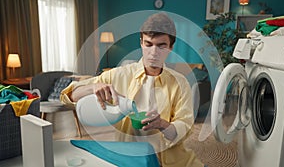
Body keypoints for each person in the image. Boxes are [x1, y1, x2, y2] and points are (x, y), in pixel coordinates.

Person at [60, 12, 204, 167]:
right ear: (141, 43)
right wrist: (92, 87)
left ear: (171, 47)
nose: (154, 52)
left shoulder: (180, 83)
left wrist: (162, 124)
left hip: (174, 161)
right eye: (148, 44)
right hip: (130, 159)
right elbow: (68, 96)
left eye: (161, 46)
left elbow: (185, 127)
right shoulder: (119, 75)